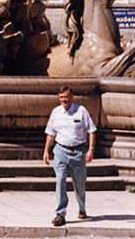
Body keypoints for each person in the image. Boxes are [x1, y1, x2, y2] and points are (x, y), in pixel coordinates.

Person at [43, 84, 97, 227]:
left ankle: (81, 208)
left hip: (78, 152)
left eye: (66, 97)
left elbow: (91, 130)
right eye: (61, 97)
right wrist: (46, 151)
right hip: (60, 150)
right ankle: (60, 213)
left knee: (79, 184)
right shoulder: (56, 112)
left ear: (72, 97)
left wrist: (91, 149)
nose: (64, 100)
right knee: (60, 180)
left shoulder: (81, 111)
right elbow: (51, 133)